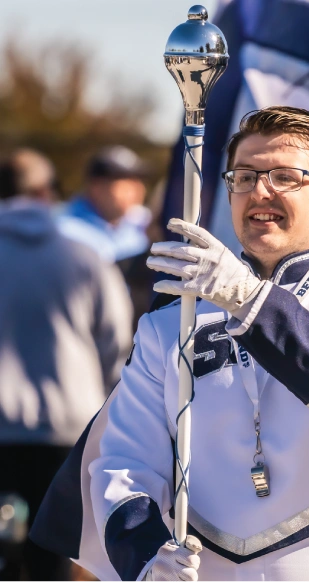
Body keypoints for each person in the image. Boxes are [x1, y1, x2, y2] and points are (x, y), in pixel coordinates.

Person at [32, 105, 309, 582]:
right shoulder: (172, 321)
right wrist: (145, 555)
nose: (260, 190)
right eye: (245, 176)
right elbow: (124, 462)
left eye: (285, 177)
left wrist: (251, 302)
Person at [0, 149, 133, 582]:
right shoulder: (85, 257)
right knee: (51, 556)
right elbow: (117, 343)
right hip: (68, 426)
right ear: (45, 192)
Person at [58, 145, 151, 264]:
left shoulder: (144, 223)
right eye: (126, 181)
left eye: (138, 181)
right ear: (97, 187)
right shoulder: (65, 231)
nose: (138, 189)